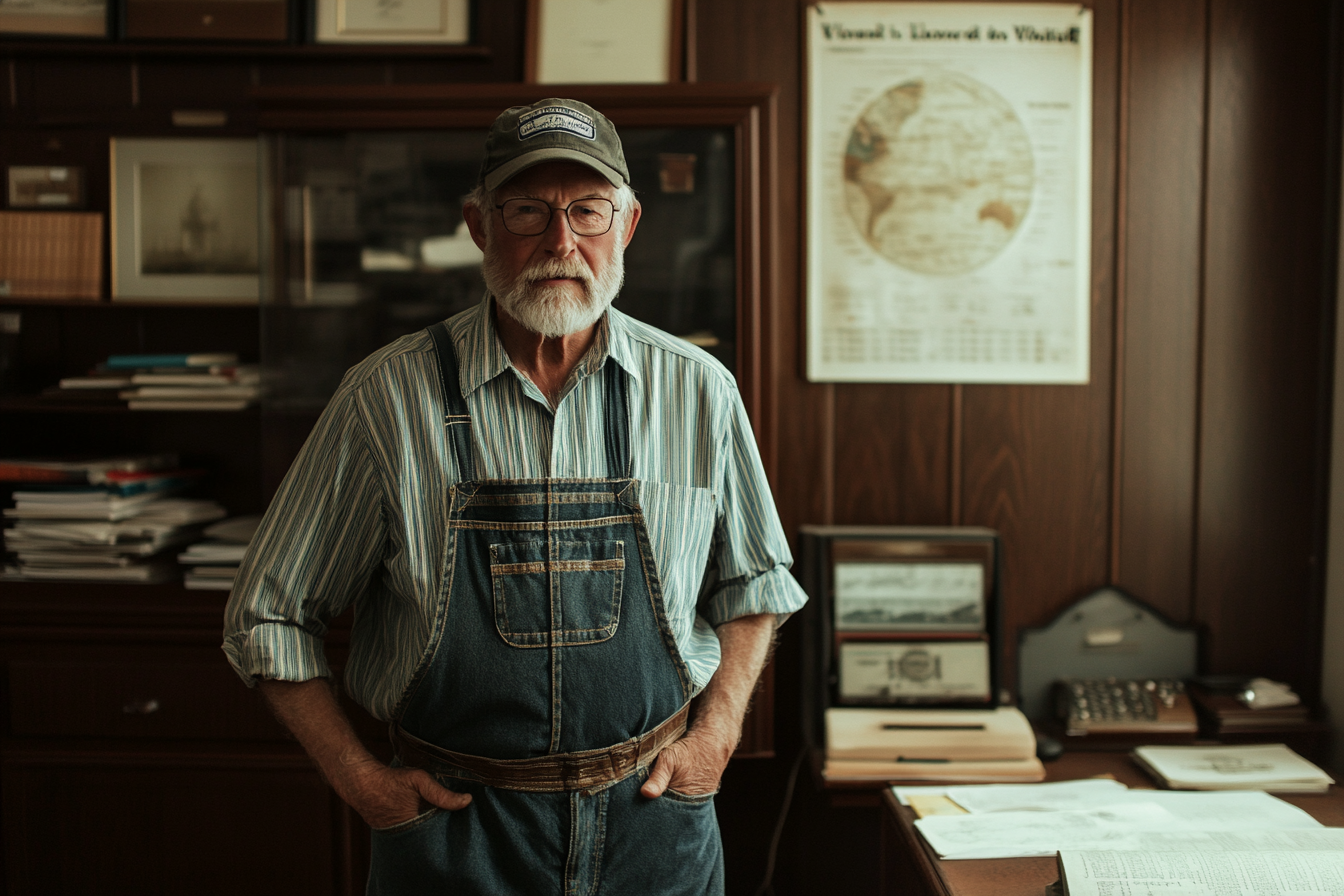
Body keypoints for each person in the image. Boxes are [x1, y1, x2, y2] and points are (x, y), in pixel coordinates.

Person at [222, 97, 808, 895]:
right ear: (479, 224)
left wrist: (716, 738)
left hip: (654, 820)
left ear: (628, 224)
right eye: (528, 210)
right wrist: (365, 784)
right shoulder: (386, 399)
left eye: (587, 210)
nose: (561, 242)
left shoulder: (696, 389)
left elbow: (757, 583)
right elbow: (268, 614)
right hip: (456, 833)